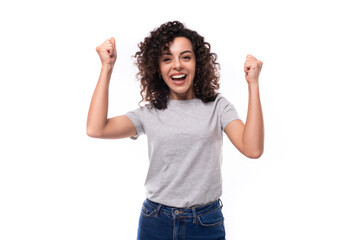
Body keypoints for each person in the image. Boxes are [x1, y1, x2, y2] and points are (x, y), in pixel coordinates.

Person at [87, 21, 264, 240]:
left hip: (205, 222)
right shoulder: (149, 113)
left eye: (186, 57)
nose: (177, 65)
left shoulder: (217, 106)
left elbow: (253, 148)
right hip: (156, 221)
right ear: (157, 68)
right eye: (167, 59)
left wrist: (253, 84)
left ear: (197, 63)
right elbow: (96, 128)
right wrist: (107, 67)